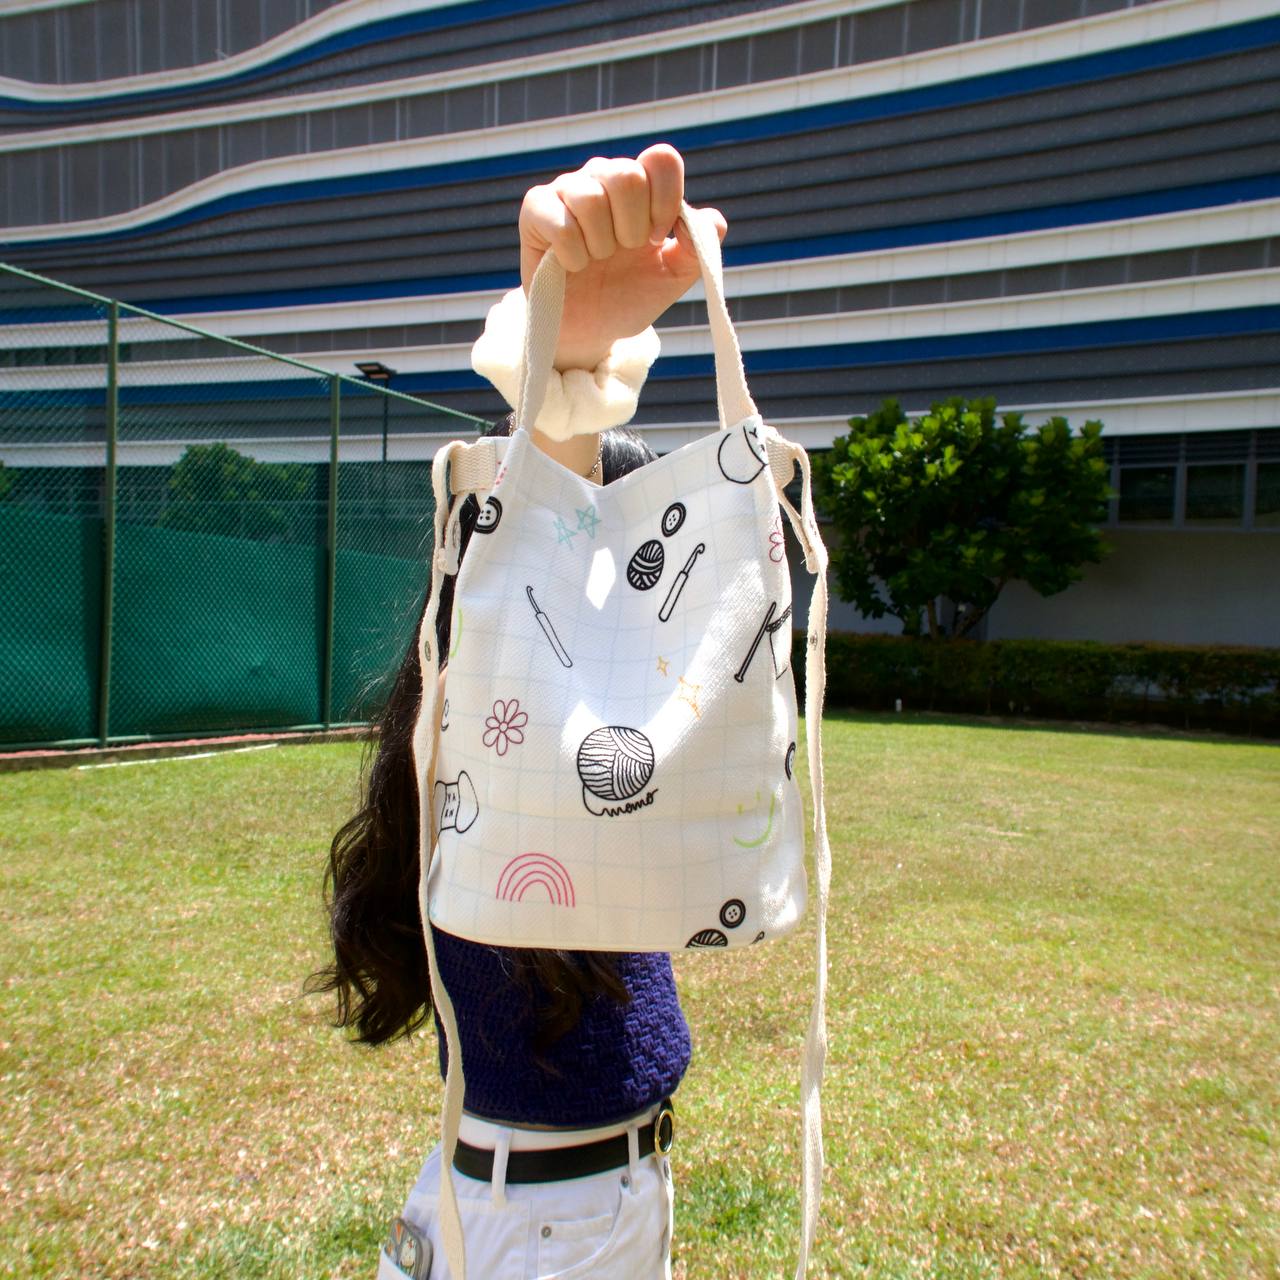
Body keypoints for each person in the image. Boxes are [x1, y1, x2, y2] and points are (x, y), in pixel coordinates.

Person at [308, 144, 729, 1279]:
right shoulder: (503, 784)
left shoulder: (581, 784)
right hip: (548, 1231)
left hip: (565, 1207)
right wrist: (567, 377)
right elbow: (523, 611)